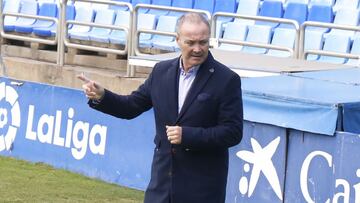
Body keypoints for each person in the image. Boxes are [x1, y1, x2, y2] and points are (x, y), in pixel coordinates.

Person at [78, 12, 243, 203]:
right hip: (162, 186)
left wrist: (187, 135)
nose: (198, 49)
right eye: (191, 43)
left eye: (203, 42)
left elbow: (232, 132)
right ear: (178, 40)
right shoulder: (161, 71)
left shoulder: (226, 79)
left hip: (202, 189)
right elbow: (131, 106)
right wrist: (103, 96)